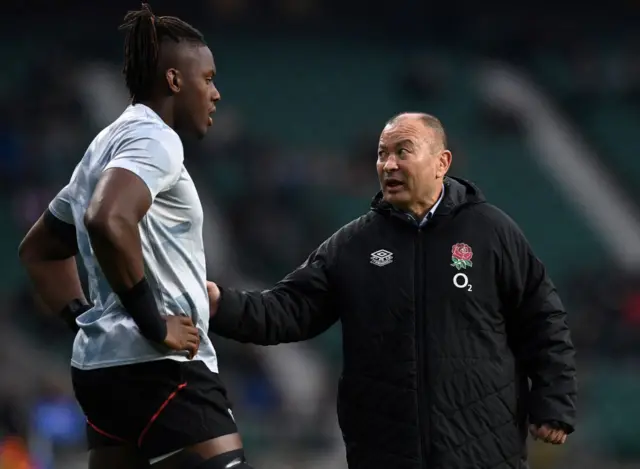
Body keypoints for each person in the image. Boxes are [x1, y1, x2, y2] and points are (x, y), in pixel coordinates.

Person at [207, 113, 578, 469]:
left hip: (485, 454)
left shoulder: (493, 233)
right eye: (383, 154)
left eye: (403, 151)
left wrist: (553, 402)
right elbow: (288, 310)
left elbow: (542, 319)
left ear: (441, 161)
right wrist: (220, 304)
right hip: (385, 454)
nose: (389, 164)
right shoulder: (353, 244)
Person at [18, 4, 254, 469]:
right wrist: (151, 323)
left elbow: (39, 252)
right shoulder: (155, 138)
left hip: (101, 372)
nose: (216, 93)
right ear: (174, 81)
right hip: (162, 369)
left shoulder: (102, 146)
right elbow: (108, 217)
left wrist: (87, 321)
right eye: (207, 78)